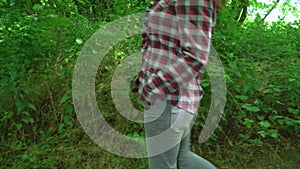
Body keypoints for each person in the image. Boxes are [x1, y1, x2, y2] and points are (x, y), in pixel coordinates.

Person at [133, 0, 224, 168]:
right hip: (173, 99)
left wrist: (154, 87)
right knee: (184, 160)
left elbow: (196, 56)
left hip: (169, 100)